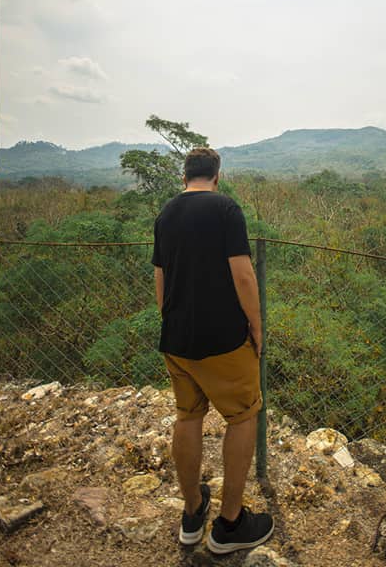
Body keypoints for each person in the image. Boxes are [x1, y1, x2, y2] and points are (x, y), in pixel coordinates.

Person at [151, 147, 274, 554]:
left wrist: (171, 320)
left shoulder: (166, 214)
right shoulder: (226, 209)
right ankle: (230, 524)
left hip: (177, 339)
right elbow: (243, 275)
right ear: (217, 176)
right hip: (222, 339)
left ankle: (192, 513)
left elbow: (161, 278)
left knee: (187, 416)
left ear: (184, 176)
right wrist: (256, 327)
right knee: (243, 416)